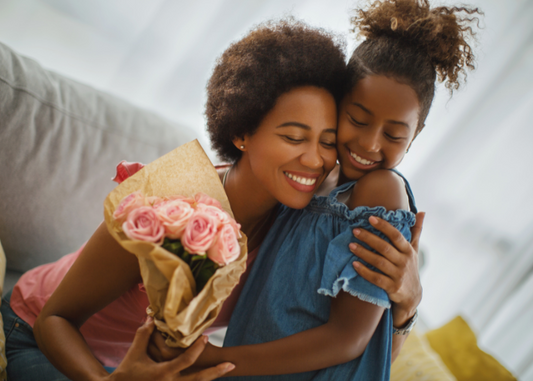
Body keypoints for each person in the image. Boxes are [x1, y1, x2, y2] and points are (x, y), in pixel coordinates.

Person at [2, 19, 422, 381]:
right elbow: (54, 320)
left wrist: (405, 305)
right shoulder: (167, 200)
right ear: (241, 133)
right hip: (33, 334)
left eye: (326, 142)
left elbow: (351, 345)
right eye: (294, 137)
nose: (314, 160)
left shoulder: (298, 216)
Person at [166, 0, 480, 379]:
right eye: (356, 119)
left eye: (394, 134)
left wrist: (213, 362)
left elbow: (349, 340)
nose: (369, 144)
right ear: (337, 103)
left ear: (416, 135)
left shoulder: (382, 191)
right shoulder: (312, 182)